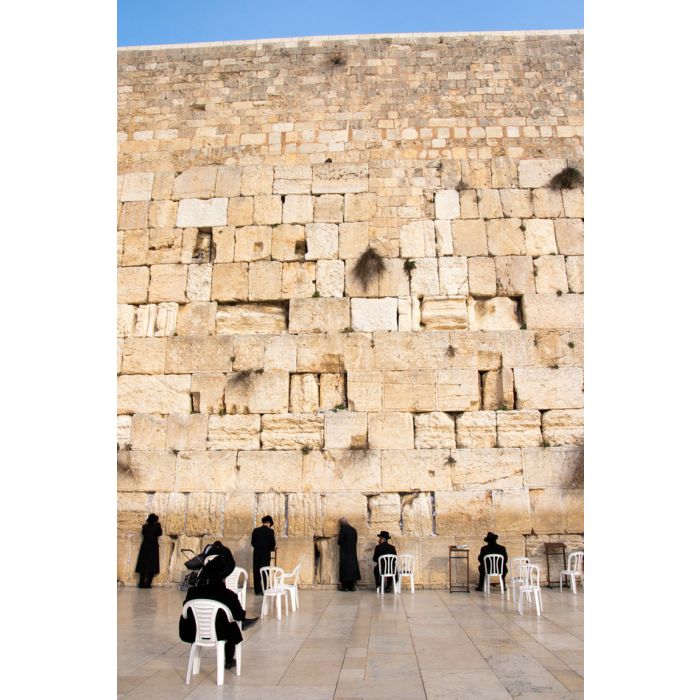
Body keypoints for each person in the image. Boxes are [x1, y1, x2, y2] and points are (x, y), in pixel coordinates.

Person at [179, 555, 259, 670]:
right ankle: (229, 661)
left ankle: (195, 664)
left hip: (195, 631)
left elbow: (186, 609)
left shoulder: (192, 592)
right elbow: (239, 616)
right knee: (231, 626)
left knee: (203, 622)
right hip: (220, 633)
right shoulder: (228, 595)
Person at [251, 515, 276, 595]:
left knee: (256, 571)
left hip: (256, 554)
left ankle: (257, 590)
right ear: (269, 523)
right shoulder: (270, 531)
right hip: (265, 554)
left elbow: (253, 543)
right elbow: (272, 544)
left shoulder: (255, 530)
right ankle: (264, 589)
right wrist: (271, 549)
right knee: (265, 571)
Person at [135, 513, 162, 588]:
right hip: (153, 548)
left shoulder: (145, 527)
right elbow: (160, 533)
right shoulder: (157, 527)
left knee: (143, 565)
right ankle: (148, 584)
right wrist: (158, 525)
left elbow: (143, 533)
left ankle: (141, 583)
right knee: (152, 565)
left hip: (145, 547)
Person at [337, 517, 361, 591]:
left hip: (345, 553)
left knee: (345, 569)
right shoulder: (354, 530)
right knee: (352, 568)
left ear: (341, 523)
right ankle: (352, 586)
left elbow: (339, 542)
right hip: (352, 552)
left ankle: (345, 587)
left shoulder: (343, 530)